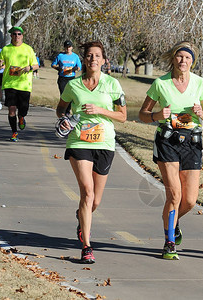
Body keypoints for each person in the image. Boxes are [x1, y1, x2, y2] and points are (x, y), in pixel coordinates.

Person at [139, 41, 203, 260]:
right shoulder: (160, 84)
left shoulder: (199, 83)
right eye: (180, 57)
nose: (183, 61)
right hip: (167, 141)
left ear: (193, 61)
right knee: (174, 194)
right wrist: (157, 116)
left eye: (188, 58)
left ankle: (173, 222)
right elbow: (143, 114)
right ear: (173, 58)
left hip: (192, 141)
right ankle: (169, 241)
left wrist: (202, 113)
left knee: (189, 200)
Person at [55, 41, 127, 264]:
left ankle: (82, 216)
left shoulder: (113, 84)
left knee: (95, 201)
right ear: (83, 60)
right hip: (79, 142)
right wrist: (64, 120)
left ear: (104, 60)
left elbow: (123, 116)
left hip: (105, 143)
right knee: (87, 192)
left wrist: (100, 110)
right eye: (89, 56)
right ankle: (87, 247)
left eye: (97, 56)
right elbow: (60, 108)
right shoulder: (73, 85)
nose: (93, 59)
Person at [0, 26, 39, 142]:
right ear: (11, 36)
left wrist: (29, 67)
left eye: (19, 34)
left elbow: (36, 65)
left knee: (23, 109)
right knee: (11, 109)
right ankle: (14, 132)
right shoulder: (5, 49)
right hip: (10, 84)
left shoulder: (28, 49)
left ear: (22, 36)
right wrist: (0, 64)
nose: (17, 36)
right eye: (14, 34)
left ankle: (21, 117)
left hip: (24, 84)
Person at [51, 40, 82, 114]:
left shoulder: (75, 56)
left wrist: (74, 69)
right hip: (62, 78)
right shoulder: (60, 56)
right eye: (66, 47)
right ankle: (63, 111)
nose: (68, 48)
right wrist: (58, 68)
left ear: (72, 47)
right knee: (63, 95)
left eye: (69, 47)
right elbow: (53, 64)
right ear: (64, 48)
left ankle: (68, 111)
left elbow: (79, 67)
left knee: (71, 95)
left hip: (71, 78)